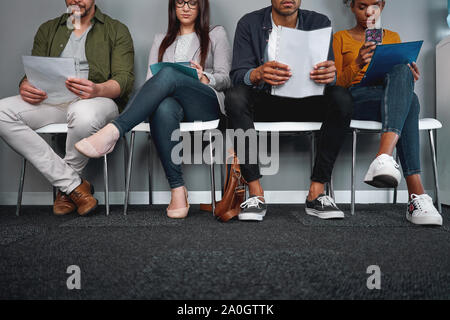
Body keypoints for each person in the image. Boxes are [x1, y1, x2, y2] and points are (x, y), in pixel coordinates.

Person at [75, 0, 232, 219]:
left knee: (167, 75)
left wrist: (204, 76)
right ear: (173, 7)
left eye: (192, 3)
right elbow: (151, 84)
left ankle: (113, 130)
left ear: (201, 7)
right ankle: (178, 189)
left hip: (204, 103)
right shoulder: (161, 40)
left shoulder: (216, 34)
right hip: (172, 108)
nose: (186, 8)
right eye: (180, 2)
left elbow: (226, 79)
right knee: (163, 105)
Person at [0, 0, 135, 216]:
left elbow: (124, 80)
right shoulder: (48, 29)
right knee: (1, 112)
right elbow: (34, 72)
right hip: (53, 102)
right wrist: (25, 84)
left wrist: (97, 89)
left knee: (83, 113)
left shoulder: (116, 30)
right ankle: (73, 185)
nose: (75, 0)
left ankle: (66, 189)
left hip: (98, 101)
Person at [225, 0, 354, 222]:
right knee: (234, 96)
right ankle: (255, 193)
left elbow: (329, 74)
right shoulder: (249, 23)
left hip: (307, 101)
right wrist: (257, 73)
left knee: (342, 97)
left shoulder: (319, 22)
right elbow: (237, 75)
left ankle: (316, 192)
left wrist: (330, 75)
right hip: (266, 102)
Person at [334, 0, 442, 225]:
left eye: (374, 5)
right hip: (357, 96)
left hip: (389, 96)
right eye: (362, 6)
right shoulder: (340, 38)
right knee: (409, 102)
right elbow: (335, 86)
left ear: (382, 6)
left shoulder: (392, 36)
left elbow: (399, 75)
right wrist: (357, 63)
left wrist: (408, 77)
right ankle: (416, 195)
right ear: (352, 7)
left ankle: (383, 158)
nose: (368, 12)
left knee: (407, 88)